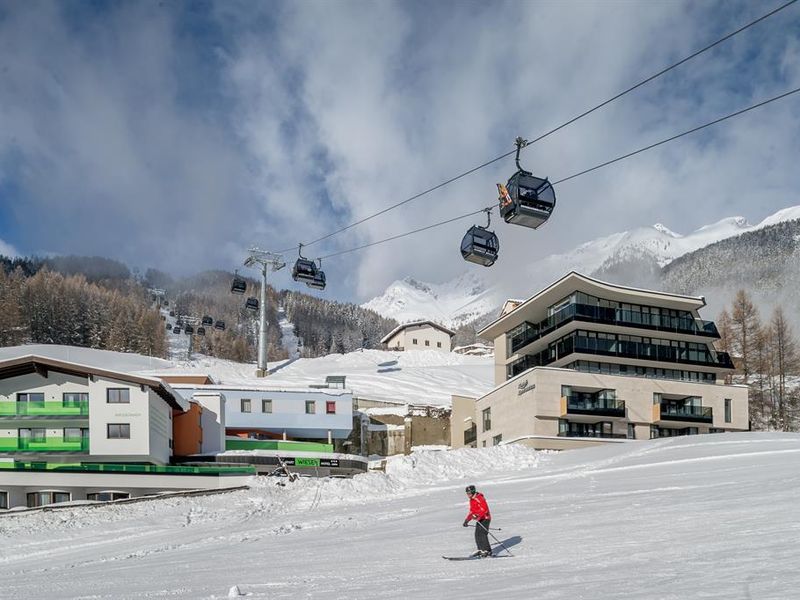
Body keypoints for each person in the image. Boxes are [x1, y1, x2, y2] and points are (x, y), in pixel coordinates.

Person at [463, 484, 492, 557]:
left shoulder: (479, 498)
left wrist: (477, 515)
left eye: (469, 493)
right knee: (477, 534)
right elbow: (472, 511)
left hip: (485, 518)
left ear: (473, 492)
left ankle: (487, 551)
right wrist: (467, 520)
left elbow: (484, 509)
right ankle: (481, 550)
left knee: (482, 534)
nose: (468, 495)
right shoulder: (472, 500)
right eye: (467, 493)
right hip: (480, 518)